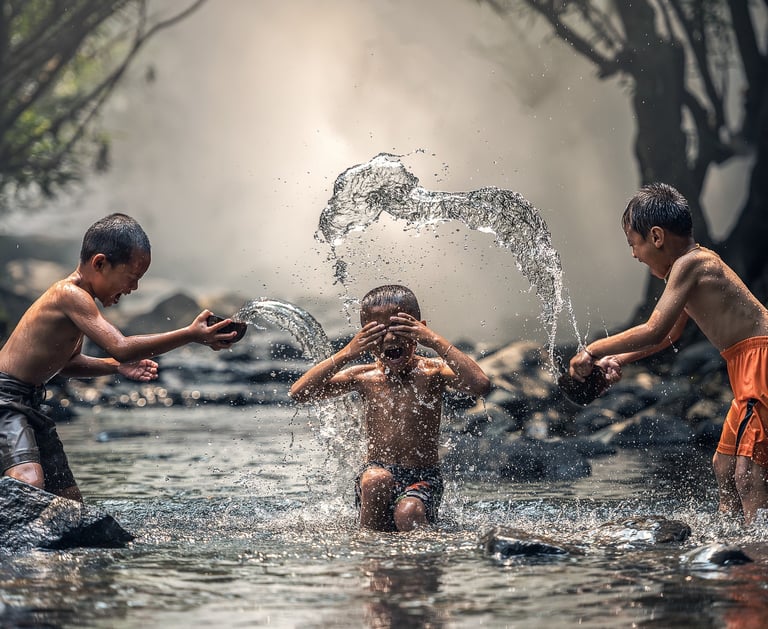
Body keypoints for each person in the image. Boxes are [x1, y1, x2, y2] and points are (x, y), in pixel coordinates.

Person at [0, 213, 239, 502]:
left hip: (30, 401)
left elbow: (68, 364)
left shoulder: (80, 302)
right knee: (29, 482)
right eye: (132, 278)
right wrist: (190, 334)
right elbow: (121, 346)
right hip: (6, 398)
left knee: (69, 501)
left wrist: (115, 367)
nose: (133, 288)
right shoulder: (68, 294)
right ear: (100, 263)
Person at [569, 183, 768, 525]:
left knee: (748, 473)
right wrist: (619, 359)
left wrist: (592, 349)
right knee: (724, 466)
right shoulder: (690, 268)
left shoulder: (692, 263)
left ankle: (758, 549)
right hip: (746, 366)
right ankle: (730, 543)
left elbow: (654, 329)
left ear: (657, 237)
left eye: (633, 243)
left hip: (760, 363)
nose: (634, 254)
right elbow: (669, 336)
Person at [290, 285, 491, 532]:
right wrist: (347, 353)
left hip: (423, 478)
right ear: (364, 337)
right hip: (375, 475)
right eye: (377, 332)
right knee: (377, 479)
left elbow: (480, 385)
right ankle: (368, 546)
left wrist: (434, 340)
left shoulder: (433, 372)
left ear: (419, 330)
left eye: (399, 328)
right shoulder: (364, 376)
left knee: (408, 513)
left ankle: (420, 554)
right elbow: (300, 393)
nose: (390, 339)